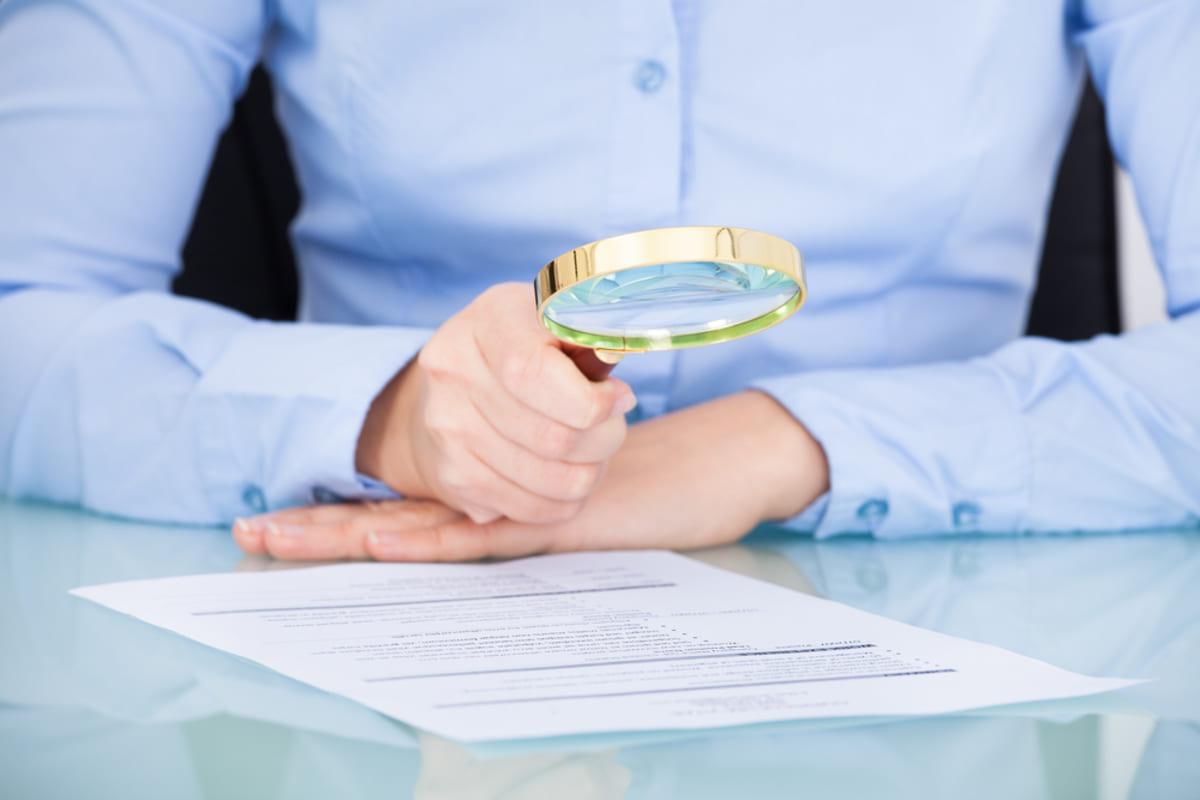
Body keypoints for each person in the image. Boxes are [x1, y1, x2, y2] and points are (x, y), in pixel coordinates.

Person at [0, 2, 1197, 563]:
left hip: (940, 631)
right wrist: (387, 412)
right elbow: (20, 313)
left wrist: (777, 445)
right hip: (385, 624)